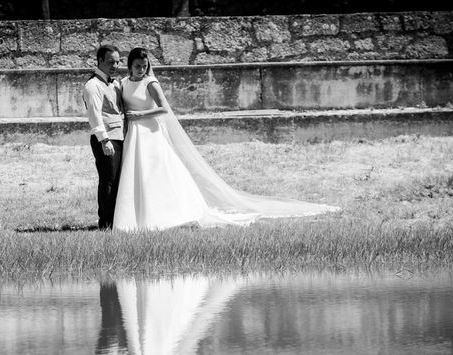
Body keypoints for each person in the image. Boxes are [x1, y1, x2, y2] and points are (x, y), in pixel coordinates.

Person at [113, 47, 340, 232]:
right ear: (129, 66)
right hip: (134, 134)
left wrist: (141, 115)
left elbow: (164, 109)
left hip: (150, 131)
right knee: (136, 174)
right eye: (137, 66)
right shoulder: (123, 83)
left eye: (144, 66)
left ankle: (167, 214)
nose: (141, 70)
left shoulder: (151, 83)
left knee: (156, 172)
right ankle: (135, 217)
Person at [82, 45, 124, 230]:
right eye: (110, 62)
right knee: (108, 180)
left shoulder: (114, 83)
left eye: (117, 61)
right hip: (106, 139)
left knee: (117, 179)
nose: (114, 65)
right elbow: (94, 115)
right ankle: (106, 223)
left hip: (120, 136)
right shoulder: (93, 85)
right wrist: (104, 140)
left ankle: (117, 219)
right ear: (99, 61)